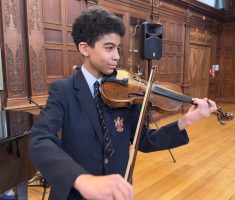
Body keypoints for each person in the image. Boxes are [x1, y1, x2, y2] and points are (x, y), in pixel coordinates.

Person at [29, 6, 217, 200]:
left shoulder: (126, 92)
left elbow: (143, 139)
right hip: (75, 195)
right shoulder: (63, 91)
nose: (117, 56)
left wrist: (185, 122)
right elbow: (40, 140)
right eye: (109, 48)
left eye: (117, 48)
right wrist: (82, 179)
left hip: (117, 193)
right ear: (84, 48)